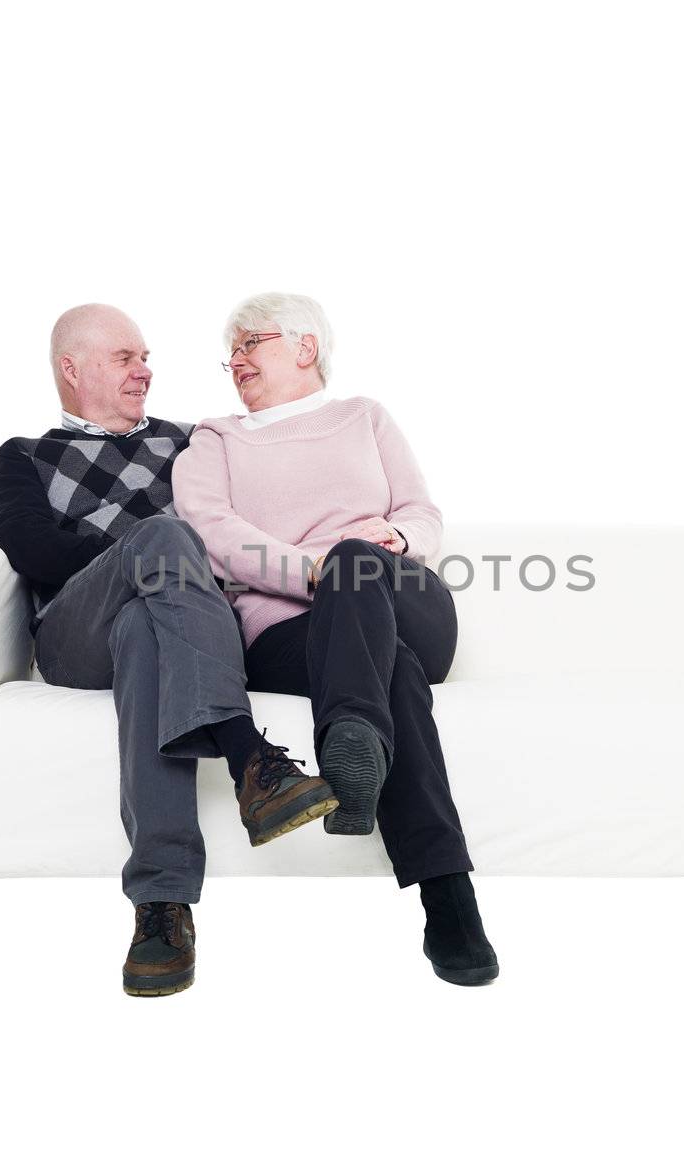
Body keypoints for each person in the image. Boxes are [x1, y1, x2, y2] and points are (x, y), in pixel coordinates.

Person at [0, 304, 337, 998]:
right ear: (71, 368)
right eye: (125, 359)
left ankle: (161, 906)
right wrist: (141, 551)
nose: (145, 372)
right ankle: (249, 758)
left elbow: (241, 523)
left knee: (149, 630)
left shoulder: (190, 443)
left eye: (146, 358)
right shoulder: (25, 455)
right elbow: (30, 547)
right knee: (166, 540)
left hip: (174, 630)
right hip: (74, 637)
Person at [172, 292, 499, 985]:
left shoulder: (364, 418)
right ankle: (449, 897)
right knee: (393, 672)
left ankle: (349, 736)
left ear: (304, 346)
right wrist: (314, 573)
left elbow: (422, 512)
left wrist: (397, 538)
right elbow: (211, 531)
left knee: (357, 563)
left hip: (401, 596)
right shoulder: (215, 439)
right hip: (289, 635)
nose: (234, 362)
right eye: (227, 352)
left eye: (249, 343)